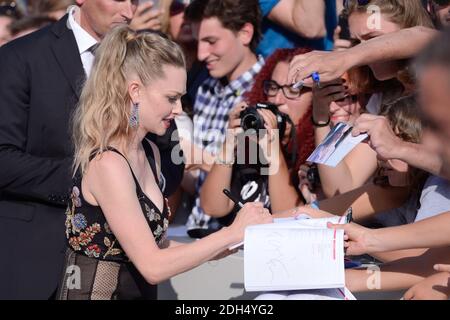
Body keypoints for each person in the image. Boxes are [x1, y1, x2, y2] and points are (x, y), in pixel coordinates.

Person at [57, 26, 272, 300]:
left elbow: (159, 247)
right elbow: (153, 266)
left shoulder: (150, 152)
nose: (179, 109)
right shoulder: (108, 164)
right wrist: (230, 234)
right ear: (135, 91)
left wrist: (228, 244)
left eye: (181, 97)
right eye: (171, 98)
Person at [0, 0, 182, 300]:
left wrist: (136, 185)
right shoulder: (20, 58)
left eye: (135, 1)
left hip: (127, 275)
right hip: (34, 266)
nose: (129, 11)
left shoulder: (147, 60)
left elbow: (171, 163)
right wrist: (93, 182)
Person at [200, 48, 315, 224]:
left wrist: (274, 151)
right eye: (273, 87)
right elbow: (213, 207)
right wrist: (230, 143)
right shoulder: (251, 146)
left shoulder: (315, 153)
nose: (277, 100)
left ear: (315, 98)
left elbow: (290, 219)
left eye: (292, 90)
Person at [185, 0, 265, 236]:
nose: (201, 54)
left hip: (241, 237)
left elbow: (262, 178)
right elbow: (196, 181)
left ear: (245, 33)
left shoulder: (270, 91)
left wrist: (203, 159)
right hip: (197, 230)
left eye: (211, 42)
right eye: (198, 42)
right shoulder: (204, 88)